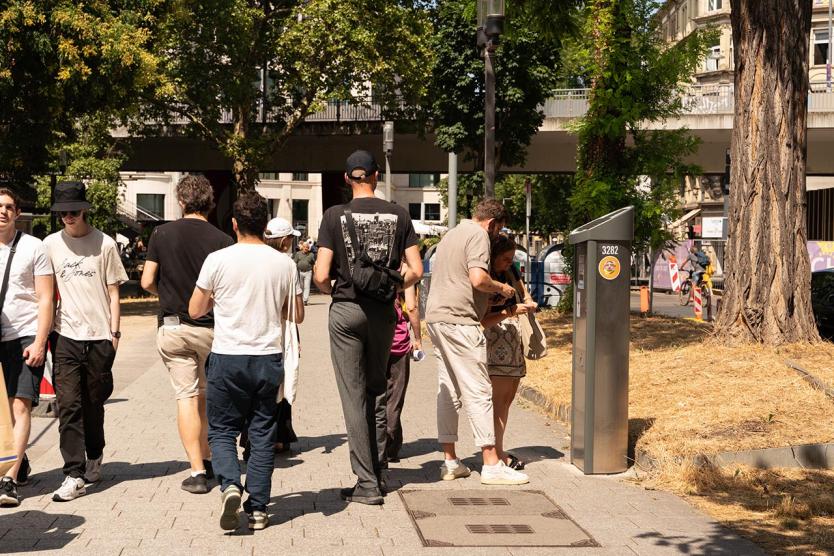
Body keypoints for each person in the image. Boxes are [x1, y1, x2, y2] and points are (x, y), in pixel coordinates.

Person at [313, 150, 423, 506]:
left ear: (347, 179)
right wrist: (390, 284)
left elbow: (320, 275)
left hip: (346, 311)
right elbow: (416, 271)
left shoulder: (334, 216)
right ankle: (379, 471)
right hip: (383, 312)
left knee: (353, 396)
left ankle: (366, 484)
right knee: (378, 390)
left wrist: (339, 291)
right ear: (376, 176)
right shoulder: (399, 214)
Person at [189, 191, 297, 532]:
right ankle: (260, 509)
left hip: (227, 356)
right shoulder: (285, 264)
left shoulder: (217, 260)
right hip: (267, 358)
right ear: (265, 226)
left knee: (221, 430)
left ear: (233, 224)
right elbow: (297, 314)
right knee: (263, 433)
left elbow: (195, 309)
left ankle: (231, 485)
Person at [425, 199, 529, 485]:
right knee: (479, 390)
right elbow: (478, 278)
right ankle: (492, 463)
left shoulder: (452, 234)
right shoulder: (479, 235)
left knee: (448, 390)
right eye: (500, 229)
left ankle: (450, 461)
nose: (499, 234)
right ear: (493, 223)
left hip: (436, 318)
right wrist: (502, 288)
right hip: (460, 321)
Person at [140, 175, 233, 494]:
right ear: (210, 203)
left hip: (173, 327)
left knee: (185, 397)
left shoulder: (161, 233)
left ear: (180, 202)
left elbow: (147, 281)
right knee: (207, 398)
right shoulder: (222, 240)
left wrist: (165, 291)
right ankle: (210, 460)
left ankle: (196, 471)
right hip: (210, 329)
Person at [43, 181, 128, 502]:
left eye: (73, 211)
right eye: (62, 212)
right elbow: (45, 292)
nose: (68, 217)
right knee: (68, 405)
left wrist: (115, 335)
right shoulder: (49, 244)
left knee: (94, 404)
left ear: (84, 210)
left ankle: (95, 454)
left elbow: (114, 293)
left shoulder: (104, 244)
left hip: (100, 337)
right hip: (65, 335)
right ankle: (73, 473)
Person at [0, 189, 53, 507]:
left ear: (17, 212)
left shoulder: (34, 247)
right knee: (3, 412)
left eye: (8, 207)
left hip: (24, 336)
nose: (2, 211)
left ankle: (7, 480)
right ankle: (19, 462)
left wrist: (40, 340)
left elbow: (45, 297)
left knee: (20, 407)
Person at [480, 235, 537, 471]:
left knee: (508, 398)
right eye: (504, 259)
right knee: (498, 401)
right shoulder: (484, 278)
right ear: (492, 257)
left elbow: (524, 295)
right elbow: (481, 319)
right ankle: (496, 452)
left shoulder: (512, 272)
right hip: (494, 342)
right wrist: (510, 311)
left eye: (511, 259)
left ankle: (499, 449)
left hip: (512, 342)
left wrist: (527, 302)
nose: (508, 263)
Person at [263, 217, 305, 453]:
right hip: (279, 334)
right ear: (285, 240)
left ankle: (254, 437)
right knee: (282, 383)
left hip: (251, 335)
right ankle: (280, 435)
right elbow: (297, 314)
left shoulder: (252, 259)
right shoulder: (288, 265)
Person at [379, 282, 421, 466]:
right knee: (395, 398)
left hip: (376, 342)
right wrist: (418, 338)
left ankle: (387, 444)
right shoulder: (406, 272)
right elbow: (411, 307)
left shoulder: (375, 264)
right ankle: (387, 447)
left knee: (379, 394)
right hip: (398, 346)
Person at [293, 240, 316, 305]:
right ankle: (301, 299)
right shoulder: (298, 254)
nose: (306, 248)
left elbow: (313, 263)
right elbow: (295, 262)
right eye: (305, 247)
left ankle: (305, 300)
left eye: (307, 247)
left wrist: (315, 272)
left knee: (307, 286)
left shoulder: (311, 255)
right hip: (300, 272)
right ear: (302, 247)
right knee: (301, 286)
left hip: (308, 272)